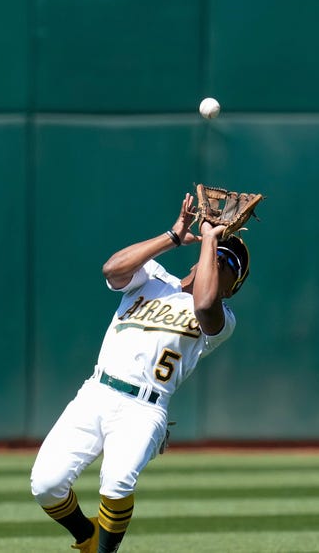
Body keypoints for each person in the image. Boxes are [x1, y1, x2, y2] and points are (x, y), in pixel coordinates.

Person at [30, 192, 250, 552]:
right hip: (96, 392)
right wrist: (174, 236)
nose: (219, 261)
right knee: (45, 484)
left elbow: (206, 303)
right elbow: (112, 269)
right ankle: (87, 538)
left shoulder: (221, 320)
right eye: (217, 256)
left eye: (227, 264)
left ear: (232, 286)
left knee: (116, 483)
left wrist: (211, 238)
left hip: (143, 409)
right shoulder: (153, 277)